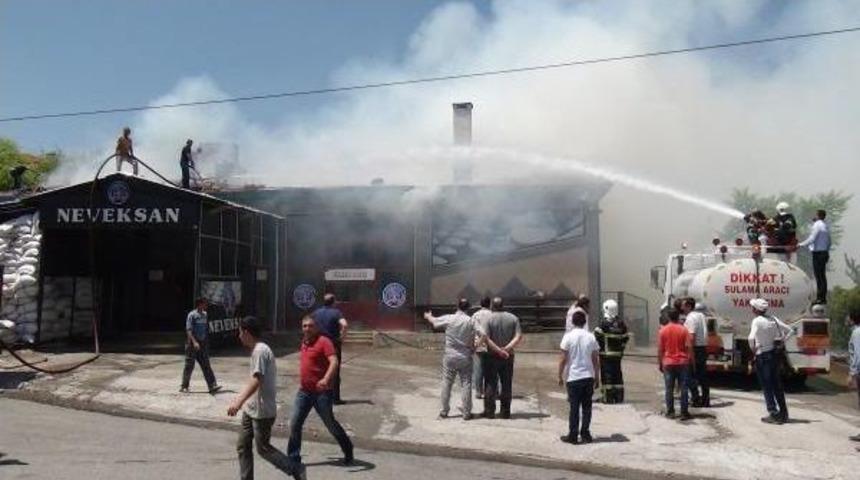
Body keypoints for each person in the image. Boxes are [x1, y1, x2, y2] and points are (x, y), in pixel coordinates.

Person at [228, 316, 306, 480]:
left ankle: (295, 468)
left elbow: (257, 379)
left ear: (246, 332)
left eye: (240, 332)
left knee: (263, 448)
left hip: (262, 410)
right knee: (243, 445)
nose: (239, 336)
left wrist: (237, 402)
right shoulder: (257, 349)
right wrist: (244, 402)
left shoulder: (261, 351)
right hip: (251, 408)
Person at [288, 316, 354, 468]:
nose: (307, 328)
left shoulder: (324, 341)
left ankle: (348, 449)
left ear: (316, 327)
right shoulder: (304, 342)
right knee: (295, 424)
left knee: (330, 424)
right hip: (304, 392)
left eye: (310, 326)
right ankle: (293, 459)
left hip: (321, 393)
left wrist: (325, 379)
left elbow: (334, 361)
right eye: (304, 326)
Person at [424, 298, 482, 420]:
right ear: (468, 308)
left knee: (446, 383)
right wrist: (475, 347)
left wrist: (429, 316)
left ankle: (444, 411)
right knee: (466, 384)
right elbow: (484, 334)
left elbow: (434, 322)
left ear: (457, 306)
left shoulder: (450, 318)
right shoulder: (471, 320)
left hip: (450, 355)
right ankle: (466, 413)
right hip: (465, 356)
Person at [558, 308, 600, 444]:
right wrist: (597, 376)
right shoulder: (591, 336)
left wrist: (559, 375)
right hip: (588, 376)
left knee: (574, 408)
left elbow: (563, 359)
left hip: (574, 377)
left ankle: (573, 435)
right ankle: (586, 433)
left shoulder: (568, 337)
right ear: (584, 322)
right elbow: (595, 359)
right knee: (587, 408)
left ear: (572, 322)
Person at [748, 298, 793, 424]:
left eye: (752, 307)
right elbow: (790, 330)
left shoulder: (757, 321)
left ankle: (773, 413)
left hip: (762, 356)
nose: (751, 309)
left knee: (767, 386)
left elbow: (751, 337)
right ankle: (783, 413)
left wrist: (753, 348)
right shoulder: (773, 319)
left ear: (756, 310)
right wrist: (782, 341)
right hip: (774, 354)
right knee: (777, 386)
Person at [482, 297, 523, 419]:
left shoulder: (488, 318)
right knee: (506, 384)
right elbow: (518, 336)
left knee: (490, 383)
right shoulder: (513, 318)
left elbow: (486, 338)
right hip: (508, 356)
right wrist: (507, 349)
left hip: (491, 355)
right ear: (503, 305)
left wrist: (498, 350)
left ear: (492, 306)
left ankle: (489, 412)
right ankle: (505, 412)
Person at [310, 294, 348, 404]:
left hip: (318, 344)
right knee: (334, 371)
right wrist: (342, 337)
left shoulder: (316, 313)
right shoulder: (336, 312)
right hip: (332, 345)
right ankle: (335, 399)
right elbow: (344, 325)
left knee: (318, 369)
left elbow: (309, 323)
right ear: (333, 302)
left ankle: (316, 396)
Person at [180, 297, 221, 394]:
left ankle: (212, 385)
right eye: (204, 304)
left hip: (202, 344)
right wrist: (194, 342)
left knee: (206, 364)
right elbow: (189, 330)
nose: (206, 305)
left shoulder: (205, 315)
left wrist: (206, 342)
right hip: (192, 344)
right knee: (189, 365)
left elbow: (205, 329)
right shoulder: (192, 315)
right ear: (199, 304)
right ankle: (184, 386)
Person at [658, 308, 693, 420]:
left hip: (668, 362)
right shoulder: (683, 330)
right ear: (678, 317)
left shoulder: (663, 331)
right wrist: (690, 361)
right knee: (684, 388)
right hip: (683, 363)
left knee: (669, 388)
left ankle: (670, 412)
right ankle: (684, 412)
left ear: (668, 317)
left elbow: (660, 349)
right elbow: (689, 347)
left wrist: (660, 363)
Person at [593, 299, 629, 404]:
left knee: (607, 375)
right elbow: (626, 338)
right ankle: (618, 397)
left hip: (606, 355)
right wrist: (621, 348)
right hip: (618, 355)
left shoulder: (604, 324)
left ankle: (607, 398)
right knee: (618, 375)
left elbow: (596, 335)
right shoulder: (621, 324)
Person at [798, 210, 831, 304]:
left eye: (815, 215)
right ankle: (822, 297)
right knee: (822, 276)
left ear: (818, 216)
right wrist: (827, 251)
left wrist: (800, 245)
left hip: (818, 253)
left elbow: (812, 238)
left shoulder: (817, 225)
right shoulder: (825, 226)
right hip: (824, 252)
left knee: (819, 276)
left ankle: (820, 298)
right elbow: (829, 241)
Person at [681, 298, 710, 407]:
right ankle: (706, 400)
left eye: (683, 305)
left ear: (689, 306)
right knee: (703, 376)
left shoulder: (690, 318)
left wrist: (689, 352)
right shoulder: (701, 315)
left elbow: (691, 337)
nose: (681, 307)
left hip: (695, 349)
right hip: (702, 348)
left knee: (689, 376)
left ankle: (695, 399)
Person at [471, 296, 493, 400]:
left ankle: (478, 392)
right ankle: (489, 391)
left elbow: (471, 329)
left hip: (478, 345)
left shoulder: (475, 315)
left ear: (480, 304)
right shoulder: (493, 315)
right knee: (490, 370)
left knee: (478, 370)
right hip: (491, 346)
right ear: (490, 304)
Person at [847, 309, 860, 443]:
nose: (846, 319)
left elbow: (858, 355)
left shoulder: (857, 333)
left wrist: (852, 374)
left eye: (848, 317)